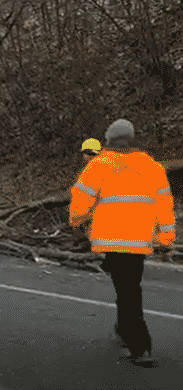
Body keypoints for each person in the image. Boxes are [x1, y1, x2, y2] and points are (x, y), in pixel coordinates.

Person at [69, 119, 175, 365]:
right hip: (138, 242)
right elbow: (164, 206)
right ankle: (124, 328)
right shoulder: (152, 167)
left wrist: (76, 220)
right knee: (128, 287)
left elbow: (81, 196)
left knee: (128, 290)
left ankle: (139, 345)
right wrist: (165, 238)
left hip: (112, 240)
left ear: (108, 141)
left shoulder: (100, 165)